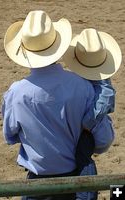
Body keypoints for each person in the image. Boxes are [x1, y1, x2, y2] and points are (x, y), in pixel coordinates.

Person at [1, 11, 121, 200]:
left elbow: (10, 134)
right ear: (57, 44)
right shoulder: (82, 87)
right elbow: (102, 142)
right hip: (74, 180)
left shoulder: (15, 93)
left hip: (37, 181)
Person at [63, 28, 122, 200]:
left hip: (90, 128)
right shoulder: (101, 77)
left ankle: (87, 195)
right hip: (90, 124)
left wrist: (87, 123)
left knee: (83, 155)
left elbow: (106, 98)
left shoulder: (101, 84)